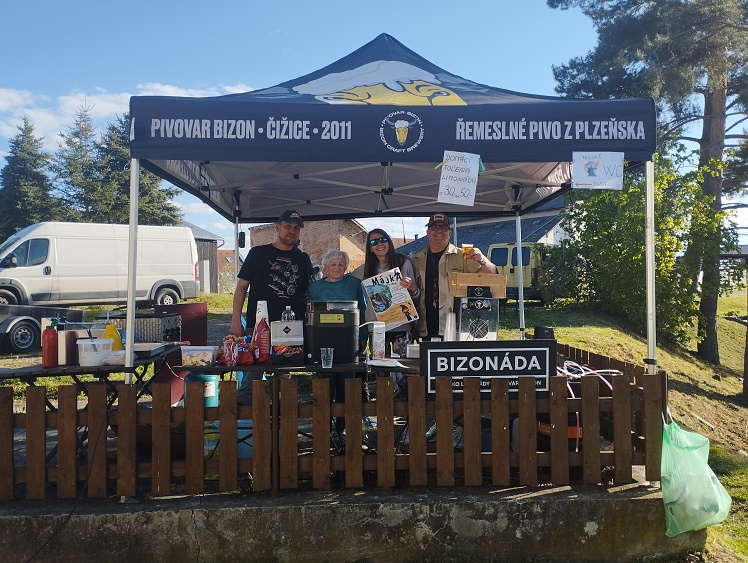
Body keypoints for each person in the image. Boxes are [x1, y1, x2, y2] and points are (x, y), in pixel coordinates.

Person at [231, 209, 313, 405]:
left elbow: (305, 291)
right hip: (258, 326)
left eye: (296, 228)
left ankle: (281, 421)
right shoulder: (258, 253)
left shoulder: (303, 259)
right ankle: (245, 422)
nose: (292, 231)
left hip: (289, 329)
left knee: (283, 382)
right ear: (277, 227)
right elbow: (241, 287)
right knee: (251, 379)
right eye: (287, 226)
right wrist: (235, 321)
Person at [411, 212, 498, 341]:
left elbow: (494, 276)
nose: (439, 231)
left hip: (456, 328)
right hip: (426, 328)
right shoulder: (418, 259)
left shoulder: (464, 256)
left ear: (450, 233)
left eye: (443, 228)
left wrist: (482, 260)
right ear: (427, 232)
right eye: (434, 227)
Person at [308, 249, 368, 434]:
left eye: (341, 264)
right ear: (325, 267)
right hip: (322, 341)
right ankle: (324, 429)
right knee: (325, 385)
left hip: (349, 342)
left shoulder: (355, 284)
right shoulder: (315, 287)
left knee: (346, 386)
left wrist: (363, 337)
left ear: (346, 267)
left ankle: (343, 429)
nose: (337, 268)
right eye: (333, 265)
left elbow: (363, 312)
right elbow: (310, 317)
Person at [353, 228, 421, 357]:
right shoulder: (363, 270)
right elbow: (343, 279)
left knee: (404, 366)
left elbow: (417, 298)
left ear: (389, 242)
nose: (379, 244)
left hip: (402, 326)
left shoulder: (404, 263)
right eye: (374, 242)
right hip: (377, 327)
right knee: (379, 367)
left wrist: (413, 288)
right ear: (370, 248)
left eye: (383, 239)